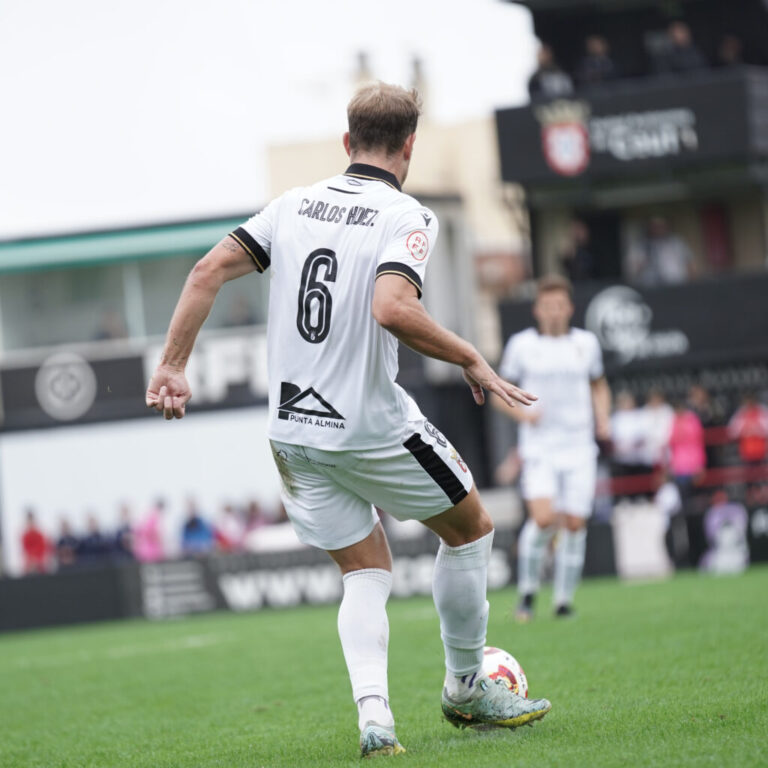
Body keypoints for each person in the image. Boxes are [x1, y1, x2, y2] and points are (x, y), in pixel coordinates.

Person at [144, 81, 551, 757]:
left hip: (293, 434)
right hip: (369, 427)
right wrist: (471, 356)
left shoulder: (292, 204)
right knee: (472, 528)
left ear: (346, 141)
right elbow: (393, 308)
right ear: (410, 148)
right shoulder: (406, 215)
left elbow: (208, 270)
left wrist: (174, 365)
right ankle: (466, 687)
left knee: (365, 569)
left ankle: (376, 721)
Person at [494, 275, 611, 621]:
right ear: (537, 310)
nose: (554, 312)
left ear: (570, 308)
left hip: (578, 444)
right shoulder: (522, 345)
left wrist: (603, 417)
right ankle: (527, 593)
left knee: (574, 523)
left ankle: (563, 601)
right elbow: (499, 392)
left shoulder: (586, 344)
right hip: (541, 446)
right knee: (544, 519)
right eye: (548, 306)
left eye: (560, 305)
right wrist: (523, 413)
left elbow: (599, 384)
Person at [625, 216, 695, 286]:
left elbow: (688, 262)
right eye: (655, 227)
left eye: (661, 226)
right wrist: (642, 263)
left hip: (677, 283)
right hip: (652, 286)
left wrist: (691, 281)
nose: (659, 229)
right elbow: (632, 270)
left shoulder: (676, 242)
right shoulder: (641, 246)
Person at [20, 509, 51, 574]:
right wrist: (31, 560)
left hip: (40, 564)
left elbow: (43, 548)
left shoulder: (39, 534)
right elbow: (25, 549)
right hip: (29, 564)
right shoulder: (25, 535)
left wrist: (37, 560)